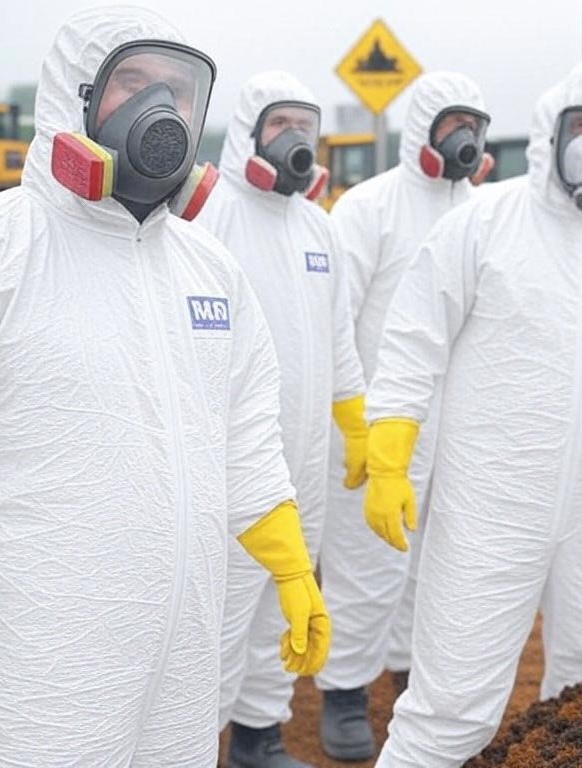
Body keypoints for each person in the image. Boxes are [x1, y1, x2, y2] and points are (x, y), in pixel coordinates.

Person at [0, 8, 329, 767]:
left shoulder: (209, 271)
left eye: (177, 91)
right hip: (26, 683)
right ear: (76, 95)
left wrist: (291, 564)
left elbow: (245, 434)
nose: (159, 109)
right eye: (132, 82)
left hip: (181, 669)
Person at [361, 56, 582, 767]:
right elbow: (413, 336)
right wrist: (391, 448)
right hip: (489, 508)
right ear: (549, 131)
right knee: (451, 704)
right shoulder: (485, 222)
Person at [315, 71, 493, 761]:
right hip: (378, 423)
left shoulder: (484, 214)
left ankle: (410, 679)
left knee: (435, 566)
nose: (464, 138)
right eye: (452, 124)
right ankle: (343, 691)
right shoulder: (369, 208)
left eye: (473, 126)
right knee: (367, 566)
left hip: (457, 428)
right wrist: (355, 418)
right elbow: (335, 319)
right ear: (423, 126)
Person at [194, 71, 365, 768]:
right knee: (221, 611)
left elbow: (339, 338)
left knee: (283, 602)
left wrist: (356, 421)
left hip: (306, 458)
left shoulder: (319, 226)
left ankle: (258, 736)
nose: (295, 137)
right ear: (249, 131)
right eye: (280, 123)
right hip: (231, 460)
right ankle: (191, 744)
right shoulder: (211, 213)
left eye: (305, 125)